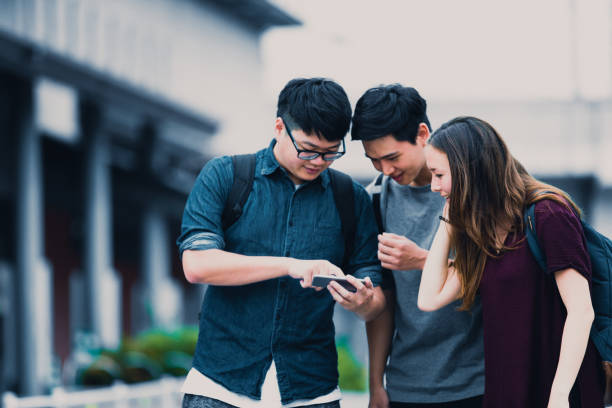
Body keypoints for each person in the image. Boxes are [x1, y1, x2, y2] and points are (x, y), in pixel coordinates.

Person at [176, 77, 386, 408]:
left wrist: (362, 300)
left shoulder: (351, 198)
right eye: (307, 148)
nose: (318, 161)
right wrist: (290, 266)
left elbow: (377, 300)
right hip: (220, 388)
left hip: (312, 391)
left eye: (331, 152)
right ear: (279, 127)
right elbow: (197, 265)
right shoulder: (225, 176)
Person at [418, 116, 605, 407]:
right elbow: (429, 299)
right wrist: (448, 223)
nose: (433, 186)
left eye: (438, 175)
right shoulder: (480, 230)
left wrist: (559, 395)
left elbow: (581, 312)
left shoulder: (548, 215)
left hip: (558, 390)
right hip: (507, 390)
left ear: (470, 171)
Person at [351, 85, 485, 408]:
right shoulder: (376, 199)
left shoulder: (473, 190)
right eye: (374, 161)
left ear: (422, 133)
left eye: (392, 157)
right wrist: (375, 386)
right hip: (405, 387)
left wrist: (424, 260)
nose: (385, 170)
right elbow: (386, 303)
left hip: (476, 384)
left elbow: (501, 275)